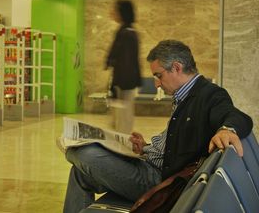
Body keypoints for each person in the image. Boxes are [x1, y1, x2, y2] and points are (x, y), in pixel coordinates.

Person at [63, 40, 253, 213]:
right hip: (148, 164)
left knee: (81, 153)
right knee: (80, 172)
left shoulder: (209, 94)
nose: (157, 84)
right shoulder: (183, 95)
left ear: (177, 67)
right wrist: (145, 147)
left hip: (158, 181)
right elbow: (174, 140)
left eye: (158, 75)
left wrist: (227, 129)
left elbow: (236, 115)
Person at [106, 0, 141, 134]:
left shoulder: (127, 33)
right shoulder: (124, 31)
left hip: (125, 83)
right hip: (123, 81)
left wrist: (119, 85)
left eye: (115, 10)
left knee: (123, 119)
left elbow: (127, 62)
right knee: (120, 119)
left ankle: (123, 147)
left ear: (122, 13)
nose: (112, 12)